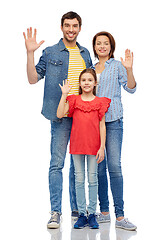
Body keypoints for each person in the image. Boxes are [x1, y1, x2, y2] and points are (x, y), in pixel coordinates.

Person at [23, 11, 92, 229]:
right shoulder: (51, 51)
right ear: (61, 27)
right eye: (67, 25)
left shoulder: (85, 53)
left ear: (80, 28)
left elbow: (91, 83)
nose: (71, 29)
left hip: (83, 116)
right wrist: (30, 54)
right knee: (57, 164)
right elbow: (33, 79)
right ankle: (55, 212)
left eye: (75, 26)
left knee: (77, 165)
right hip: (60, 116)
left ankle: (77, 209)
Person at [91, 31, 137, 231]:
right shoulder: (91, 69)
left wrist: (129, 69)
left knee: (114, 167)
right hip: (94, 123)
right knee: (99, 168)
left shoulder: (117, 66)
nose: (102, 46)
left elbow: (131, 88)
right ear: (94, 47)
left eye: (106, 43)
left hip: (113, 120)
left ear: (111, 46)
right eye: (99, 43)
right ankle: (104, 213)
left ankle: (120, 216)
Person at [57, 68, 111, 229]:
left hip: (94, 147)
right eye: (83, 80)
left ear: (95, 83)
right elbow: (60, 114)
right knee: (79, 180)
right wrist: (64, 94)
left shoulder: (100, 102)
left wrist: (102, 147)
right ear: (80, 83)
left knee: (92, 180)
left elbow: (102, 126)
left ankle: (92, 214)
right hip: (77, 146)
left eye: (89, 80)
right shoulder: (74, 100)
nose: (86, 83)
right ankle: (82, 214)